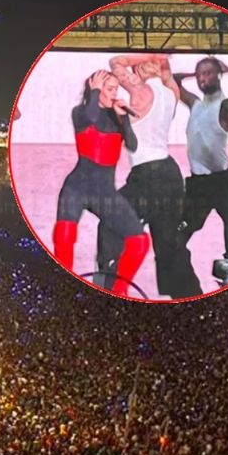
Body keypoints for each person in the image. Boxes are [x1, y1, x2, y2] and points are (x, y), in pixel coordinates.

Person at [94, 54, 201, 298]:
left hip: (148, 175)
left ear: (141, 68)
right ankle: (187, 296)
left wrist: (149, 56)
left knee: (110, 223)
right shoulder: (170, 92)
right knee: (169, 247)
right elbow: (166, 73)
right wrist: (161, 61)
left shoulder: (141, 91)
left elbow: (115, 62)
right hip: (170, 175)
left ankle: (109, 289)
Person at [54, 70, 150, 296]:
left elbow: (133, 145)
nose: (114, 93)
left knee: (139, 241)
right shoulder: (80, 112)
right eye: (109, 88)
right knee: (64, 236)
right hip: (77, 187)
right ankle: (63, 289)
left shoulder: (115, 116)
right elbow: (91, 117)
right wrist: (96, 92)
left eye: (116, 89)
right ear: (95, 88)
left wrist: (123, 117)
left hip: (104, 191)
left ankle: (119, 292)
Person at [168, 57, 228, 258]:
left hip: (223, 182)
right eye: (200, 74)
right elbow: (172, 80)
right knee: (180, 232)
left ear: (219, 76)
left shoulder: (226, 107)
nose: (203, 78)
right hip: (198, 184)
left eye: (208, 73)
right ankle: (178, 278)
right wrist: (194, 73)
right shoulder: (195, 105)